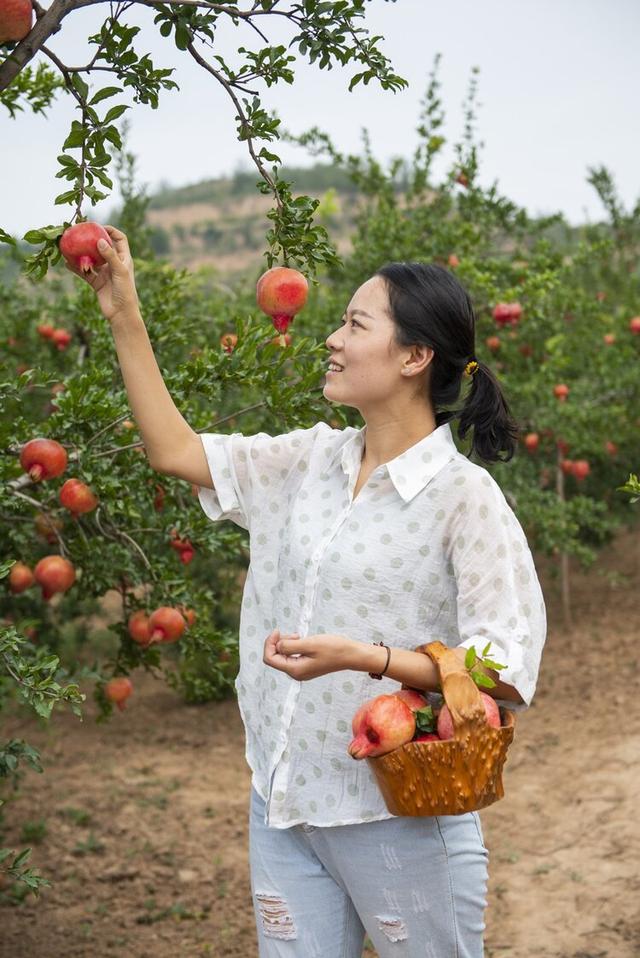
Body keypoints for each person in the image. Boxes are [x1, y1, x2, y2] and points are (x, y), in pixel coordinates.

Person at [70, 227, 547, 957]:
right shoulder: (308, 460)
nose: (331, 338)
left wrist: (371, 658)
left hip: (397, 816)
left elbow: (505, 666)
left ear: (415, 357)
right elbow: (174, 450)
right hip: (283, 802)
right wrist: (123, 312)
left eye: (355, 324)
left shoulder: (463, 499)